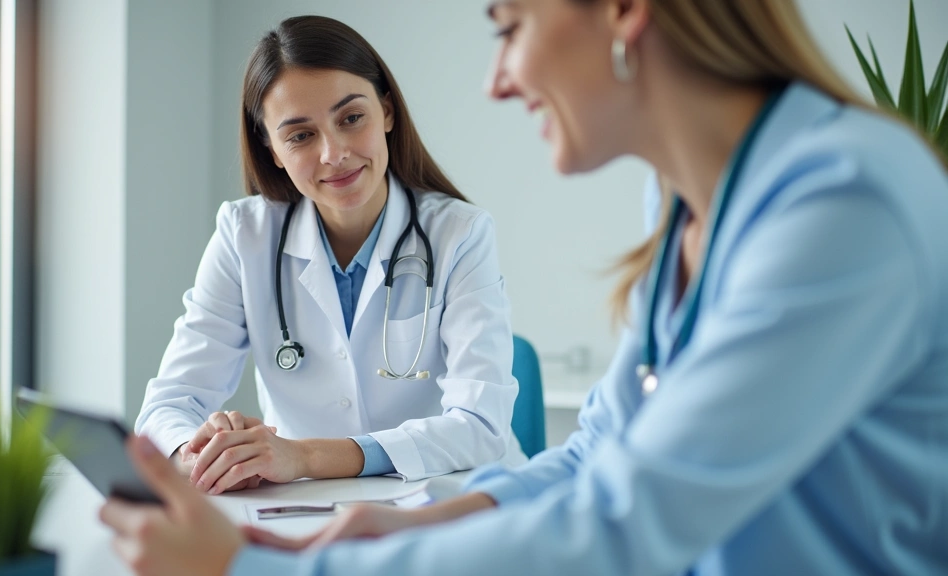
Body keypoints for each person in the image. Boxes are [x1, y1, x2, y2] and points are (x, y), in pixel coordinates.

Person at [102, 0, 948, 574]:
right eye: (299, 134)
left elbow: (625, 519)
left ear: (623, 13)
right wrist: (414, 523)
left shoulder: (841, 201)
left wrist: (254, 563)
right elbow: (592, 454)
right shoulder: (690, 209)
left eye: (508, 26)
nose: (496, 79)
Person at [133, 14, 525, 494]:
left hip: (453, 501)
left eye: (351, 118)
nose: (333, 154)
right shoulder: (244, 236)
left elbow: (479, 425)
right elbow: (167, 405)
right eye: (300, 135)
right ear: (273, 149)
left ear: (386, 112)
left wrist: (304, 455)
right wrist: (197, 452)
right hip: (308, 508)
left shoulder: (459, 235)